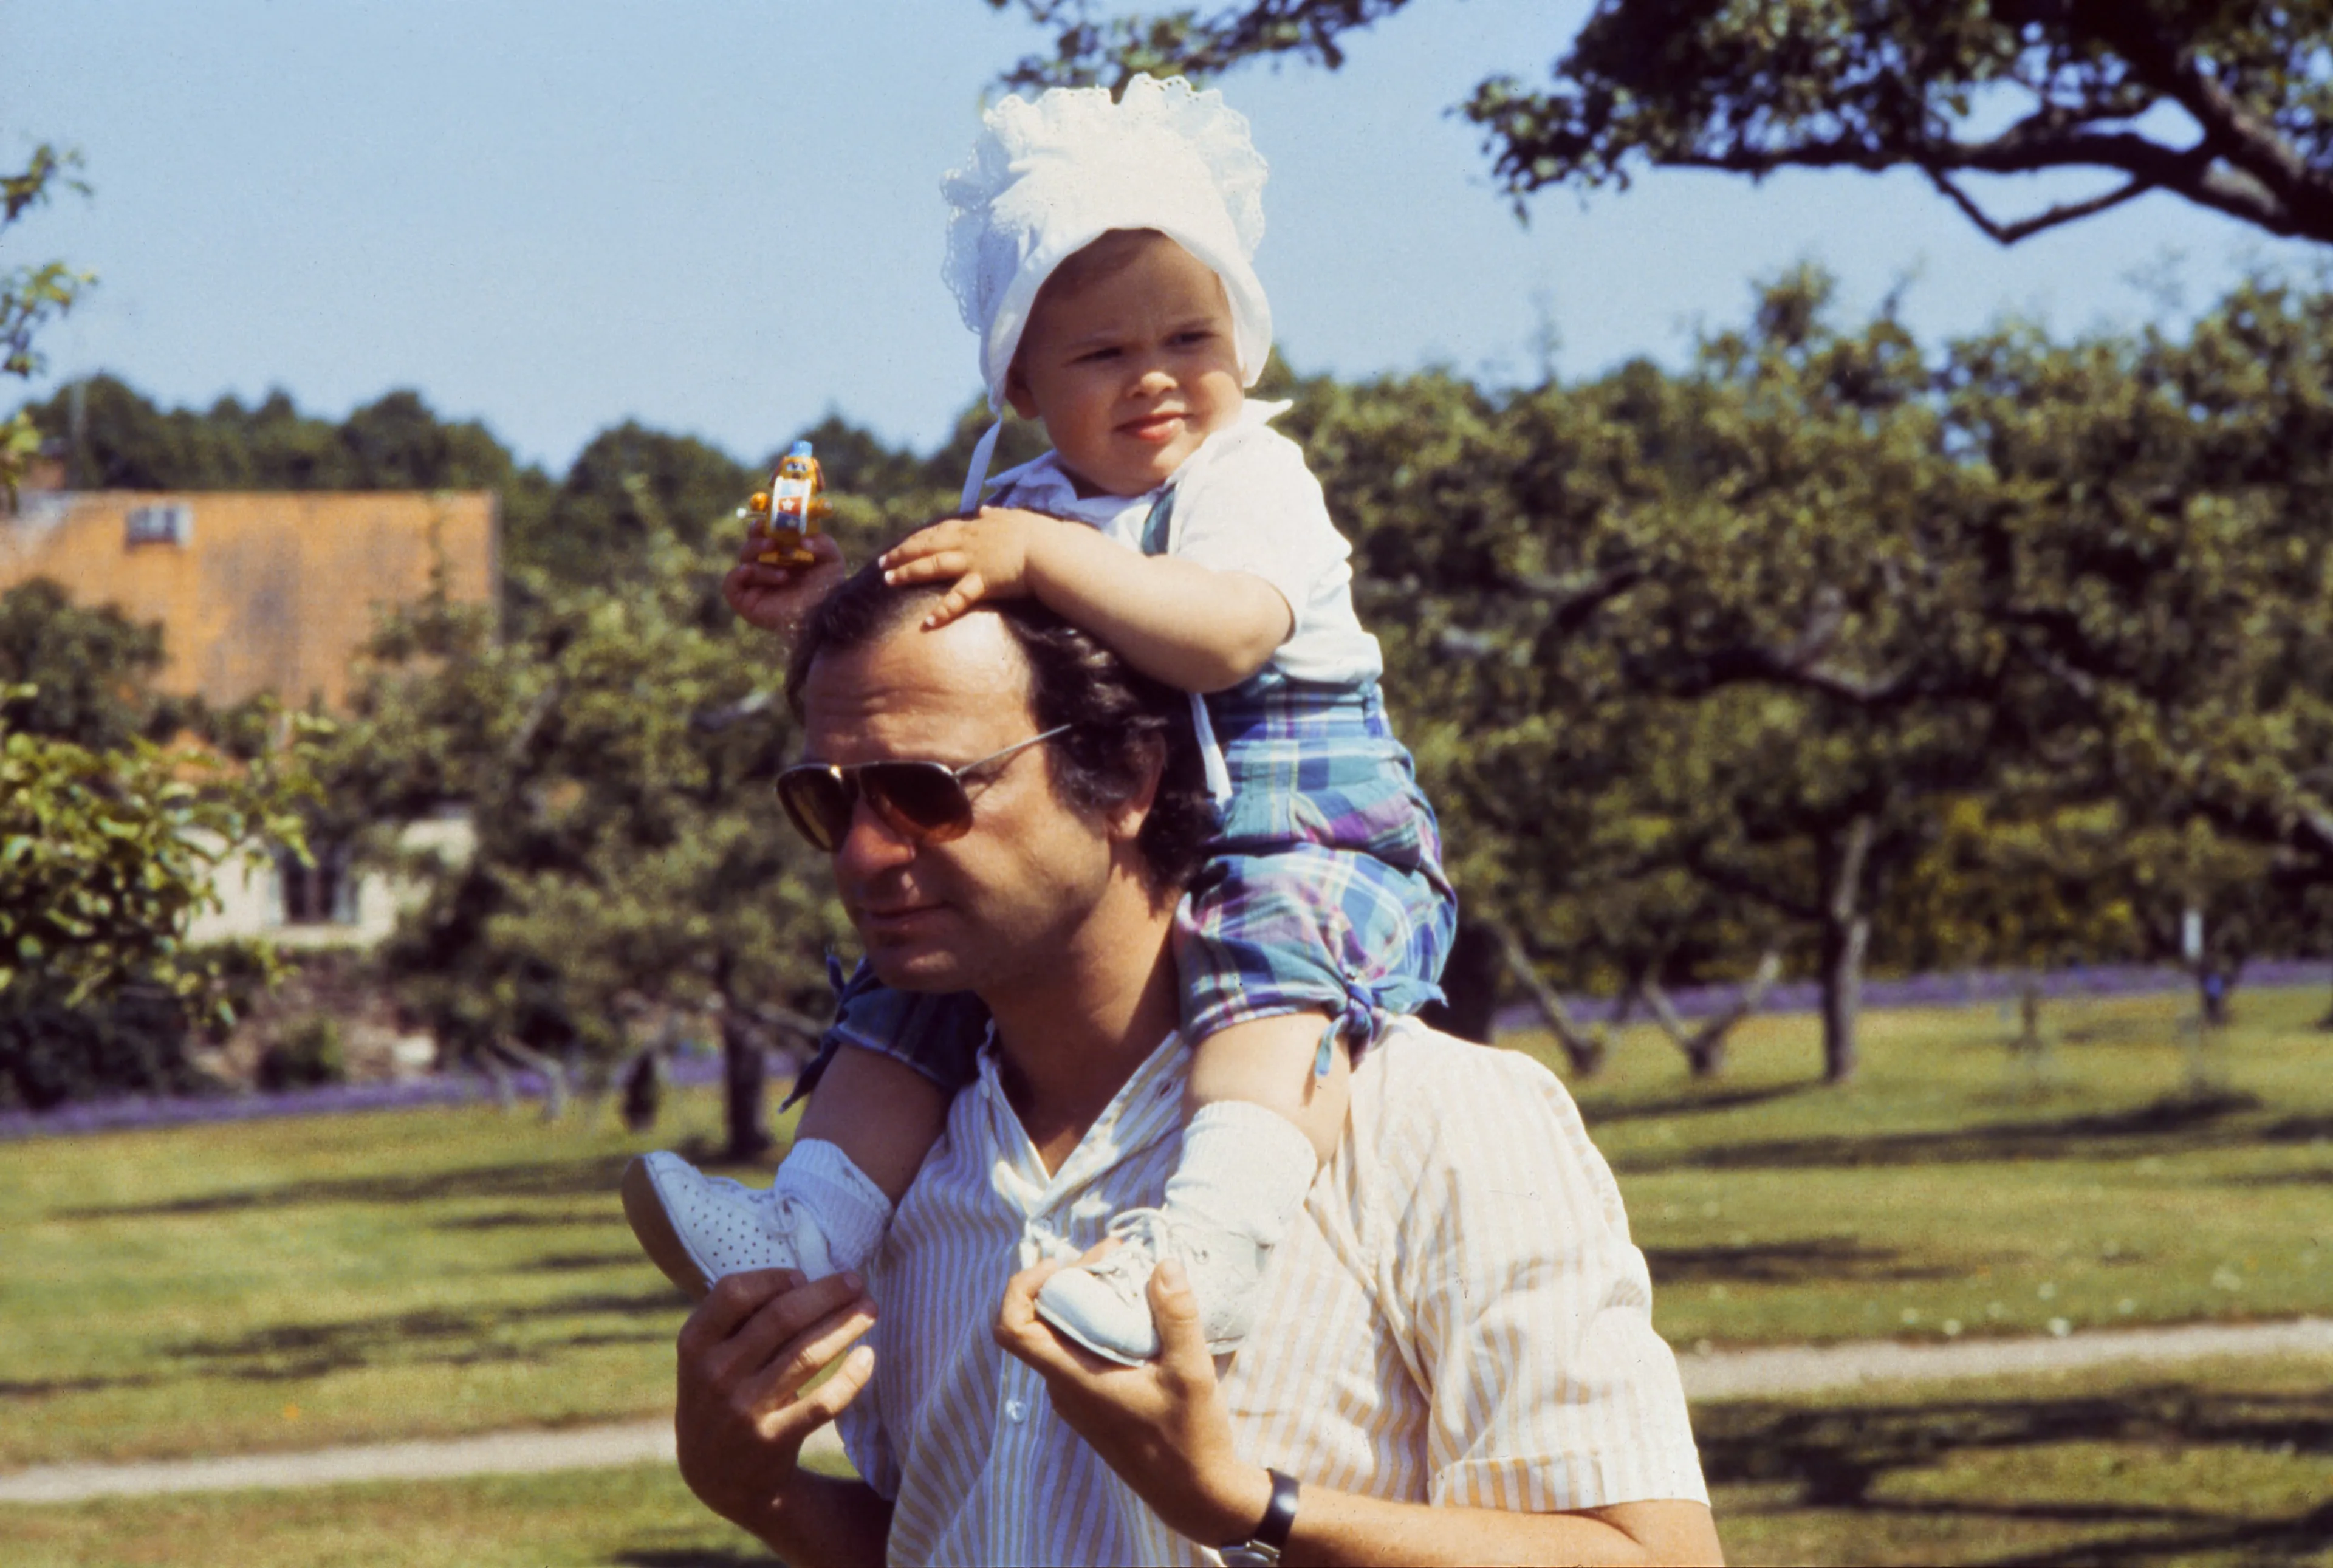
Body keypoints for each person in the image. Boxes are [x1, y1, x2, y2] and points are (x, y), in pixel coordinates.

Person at [624, 74, 1454, 1365]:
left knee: (1270, 979)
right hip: (1106, 818)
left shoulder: (1250, 480)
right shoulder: (1026, 501)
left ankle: (1207, 1246)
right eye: (1105, 355)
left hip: (1297, 797)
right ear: (1021, 379)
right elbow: (944, 676)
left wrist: (1041, 560)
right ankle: (809, 1229)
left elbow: (1230, 634)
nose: (1159, 380)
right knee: (908, 1000)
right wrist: (819, 606)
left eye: (1192, 339)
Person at [666, 570, 1721, 1565]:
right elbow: (945, 1532)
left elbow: (1654, 1556)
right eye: (830, 800)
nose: (861, 854)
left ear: (1127, 774)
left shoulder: (1435, 1118)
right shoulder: (885, 1183)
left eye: (923, 791)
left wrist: (1249, 1506)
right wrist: (762, 1493)